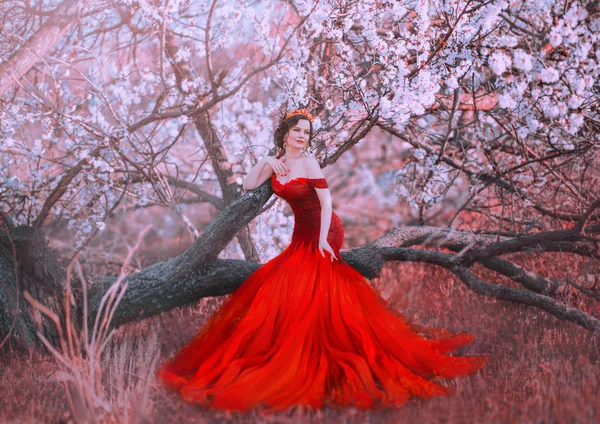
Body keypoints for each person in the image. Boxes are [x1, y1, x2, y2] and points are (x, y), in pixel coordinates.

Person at [157, 109, 487, 415]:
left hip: (325, 229)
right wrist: (267, 162)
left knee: (310, 283)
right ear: (285, 133)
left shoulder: (310, 163)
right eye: (297, 131)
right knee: (290, 283)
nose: (302, 136)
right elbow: (247, 183)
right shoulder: (281, 162)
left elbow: (327, 202)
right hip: (302, 234)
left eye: (307, 132)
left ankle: (314, 348)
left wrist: (322, 242)